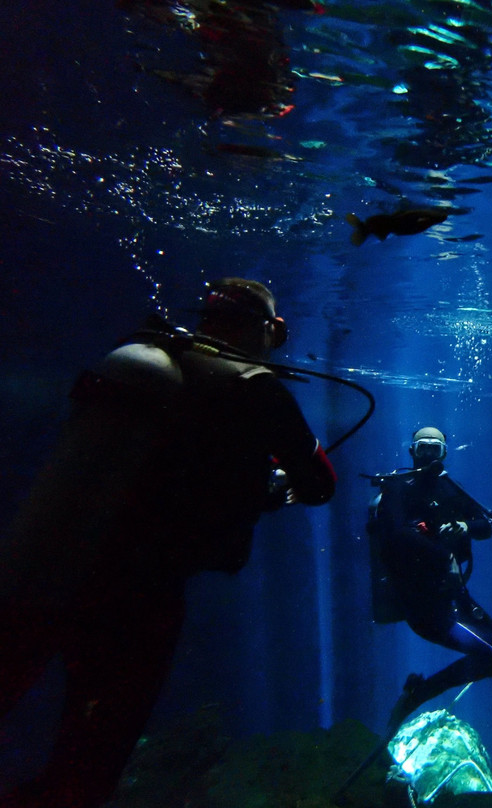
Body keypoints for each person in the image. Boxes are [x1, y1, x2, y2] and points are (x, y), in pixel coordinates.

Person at [0, 279, 336, 808]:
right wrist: (265, 486)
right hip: (138, 598)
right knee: (89, 761)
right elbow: (320, 483)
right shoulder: (253, 385)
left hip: (40, 567)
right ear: (270, 329)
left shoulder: (143, 358)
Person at [369, 427, 492, 737]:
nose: (428, 455)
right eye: (422, 448)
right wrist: (443, 557)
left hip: (454, 597)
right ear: (411, 452)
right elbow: (395, 537)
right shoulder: (398, 491)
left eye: (434, 449)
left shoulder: (448, 488)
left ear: (444, 454)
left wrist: (464, 525)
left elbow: (485, 526)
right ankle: (420, 694)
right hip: (425, 607)